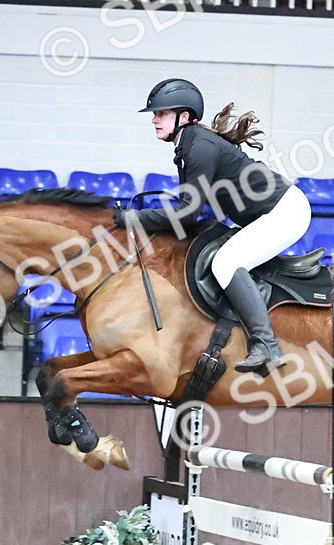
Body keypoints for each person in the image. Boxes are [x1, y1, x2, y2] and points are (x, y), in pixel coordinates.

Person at [133, 78, 310, 375]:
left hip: (285, 212)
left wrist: (134, 219)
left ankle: (267, 344)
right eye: (155, 114)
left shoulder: (198, 147)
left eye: (161, 113)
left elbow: (187, 212)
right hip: (269, 213)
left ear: (185, 117)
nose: (154, 119)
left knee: (226, 261)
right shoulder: (188, 146)